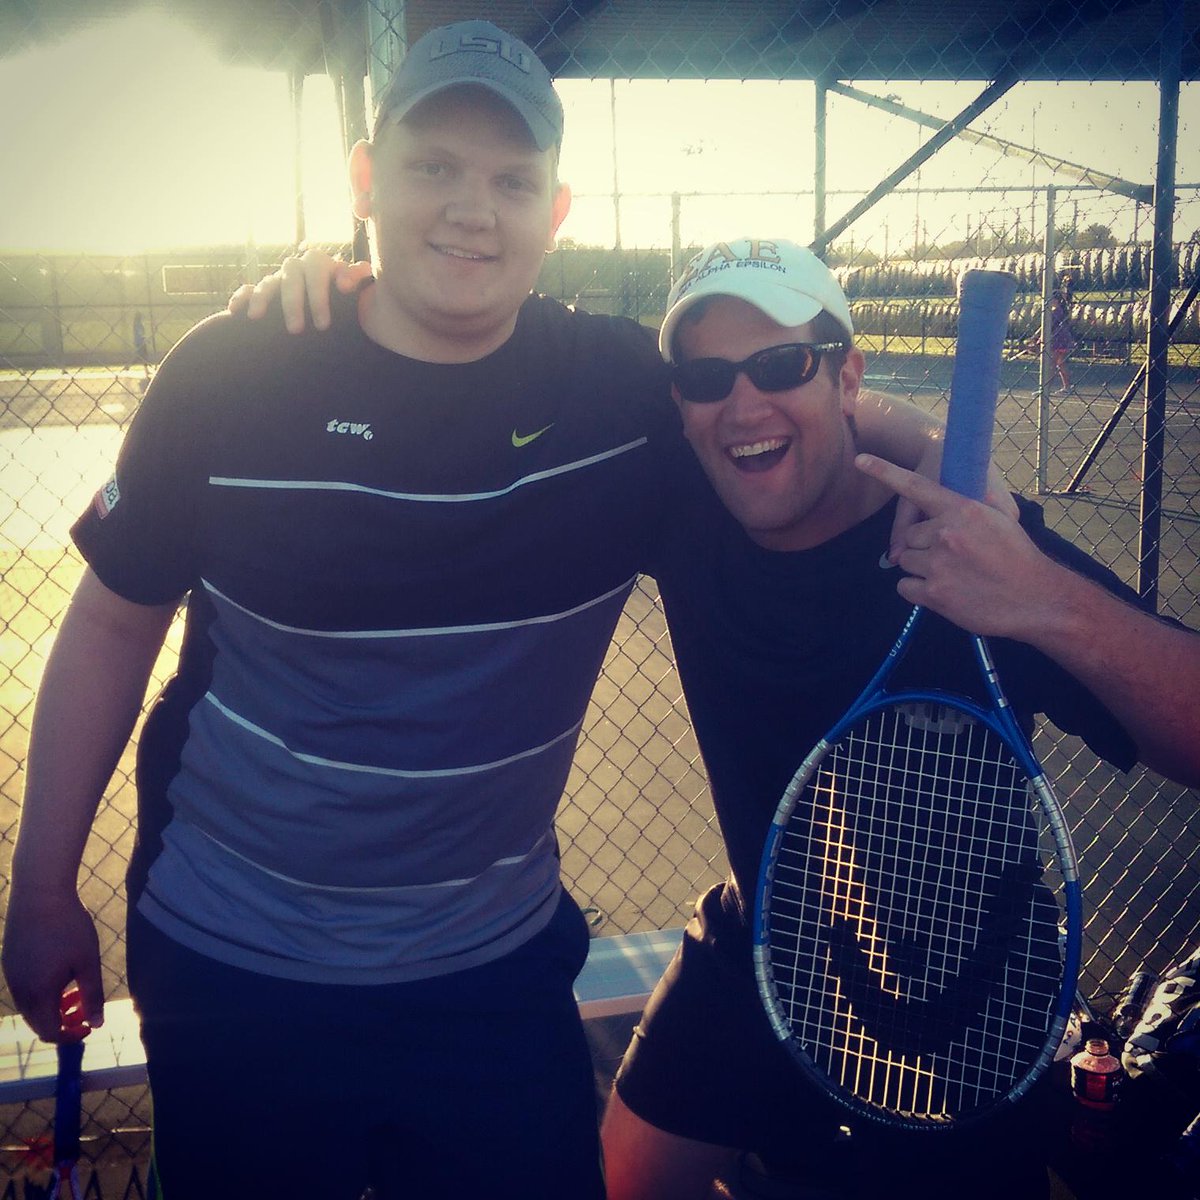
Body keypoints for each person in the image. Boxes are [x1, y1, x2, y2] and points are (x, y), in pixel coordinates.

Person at [1, 23, 950, 1200]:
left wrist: (952, 463)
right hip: (237, 970)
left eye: (511, 180)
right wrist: (43, 888)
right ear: (366, 181)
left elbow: (787, 416)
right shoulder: (232, 372)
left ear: (555, 211)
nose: (471, 210)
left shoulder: (622, 398)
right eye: (433, 168)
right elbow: (109, 624)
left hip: (491, 979)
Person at [233, 236, 1200, 1199]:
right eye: (706, 377)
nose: (744, 404)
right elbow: (493, 373)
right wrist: (372, 301)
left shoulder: (976, 545)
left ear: (844, 374)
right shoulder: (682, 501)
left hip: (960, 998)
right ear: (681, 408)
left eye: (781, 365)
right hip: (763, 935)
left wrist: (1044, 598)